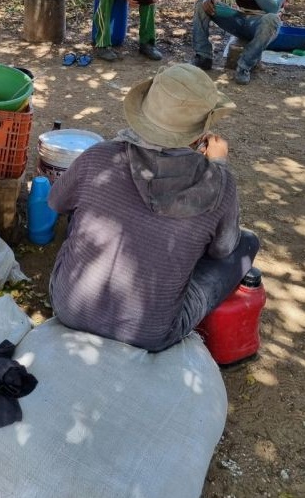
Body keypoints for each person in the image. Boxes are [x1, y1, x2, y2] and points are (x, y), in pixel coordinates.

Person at [47, 64, 259, 353]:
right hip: (150, 333)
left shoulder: (98, 157)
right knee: (246, 242)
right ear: (200, 135)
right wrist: (219, 166)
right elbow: (222, 250)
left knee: (80, 208)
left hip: (69, 306)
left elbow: (56, 202)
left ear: (145, 114)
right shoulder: (220, 183)